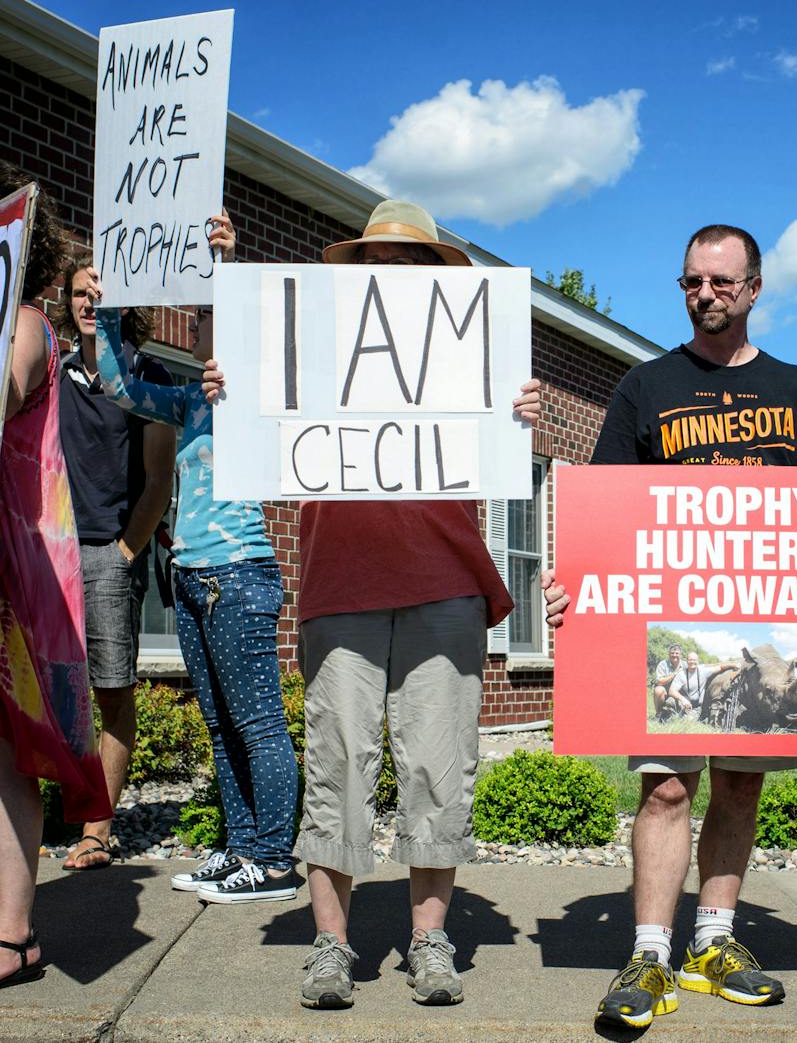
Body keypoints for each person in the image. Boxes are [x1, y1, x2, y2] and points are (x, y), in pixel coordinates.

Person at [202, 199, 552, 1009]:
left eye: (410, 262)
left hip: (445, 583)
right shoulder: (316, 352)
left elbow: (495, 449)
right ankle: (332, 945)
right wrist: (228, 378)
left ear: (436, 278)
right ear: (354, 272)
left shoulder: (472, 354)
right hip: (343, 584)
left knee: (437, 767)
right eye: (377, 260)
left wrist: (522, 414)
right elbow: (255, 393)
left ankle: (430, 939)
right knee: (338, 767)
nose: (391, 273)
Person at [582, 224, 797, 1030]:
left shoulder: (794, 389)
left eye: (722, 282)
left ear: (754, 288)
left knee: (739, 783)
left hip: (763, 616)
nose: (706, 294)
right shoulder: (646, 386)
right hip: (671, 611)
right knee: (666, 785)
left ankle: (715, 938)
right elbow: (604, 508)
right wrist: (575, 594)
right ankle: (650, 952)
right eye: (692, 281)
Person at [87, 213, 302, 904]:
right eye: (204, 321)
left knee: (259, 722)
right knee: (219, 723)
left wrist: (228, 262)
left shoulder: (266, 399)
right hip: (190, 578)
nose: (204, 330)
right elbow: (118, 388)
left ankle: (272, 860)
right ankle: (240, 848)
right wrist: (114, 302)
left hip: (239, 575)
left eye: (215, 320)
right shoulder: (184, 400)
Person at [0, 167, 109, 986]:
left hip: (15, 569)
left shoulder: (27, 326)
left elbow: (4, 392)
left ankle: (12, 934)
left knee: (10, 753)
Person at [54, 255, 177, 871]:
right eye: (79, 292)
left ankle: (98, 830)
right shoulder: (54, 370)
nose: (87, 302)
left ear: (123, 304)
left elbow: (159, 479)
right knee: (48, 686)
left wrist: (127, 551)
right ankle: (61, 806)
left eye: (99, 293)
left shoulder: (145, 375)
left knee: (112, 690)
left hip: (107, 550)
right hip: (49, 550)